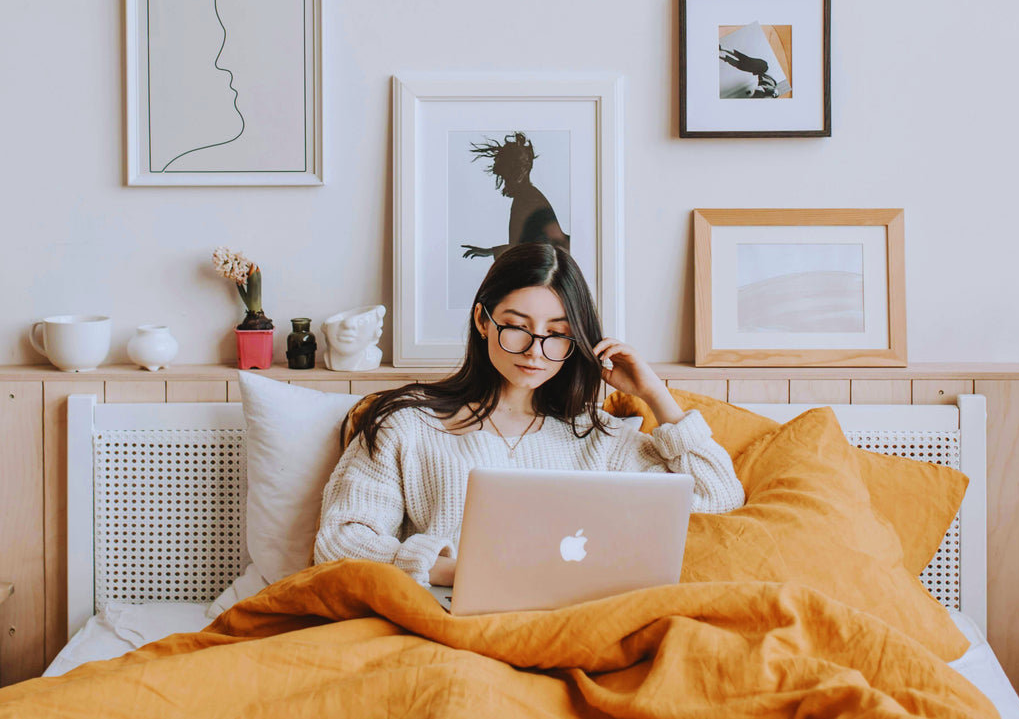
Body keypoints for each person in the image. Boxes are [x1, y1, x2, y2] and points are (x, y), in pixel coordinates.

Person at [314, 243, 744, 588]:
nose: (536, 352)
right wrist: (455, 571)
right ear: (483, 321)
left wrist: (654, 393)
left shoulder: (600, 438)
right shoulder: (409, 426)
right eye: (517, 327)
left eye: (557, 335)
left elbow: (718, 498)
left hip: (575, 623)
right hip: (446, 618)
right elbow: (341, 542)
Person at [460, 132, 570, 260]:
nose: (504, 182)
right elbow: (521, 246)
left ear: (517, 173)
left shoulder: (527, 199)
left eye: (505, 177)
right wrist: (489, 252)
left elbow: (551, 244)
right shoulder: (527, 197)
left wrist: (489, 252)